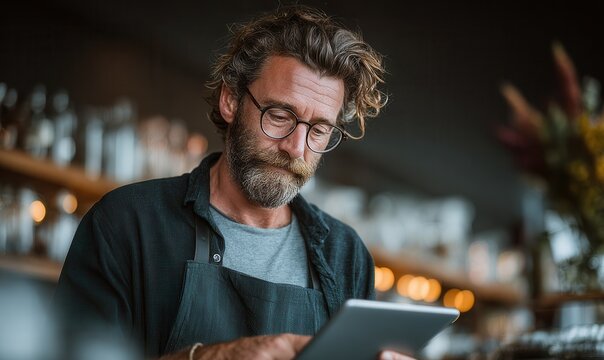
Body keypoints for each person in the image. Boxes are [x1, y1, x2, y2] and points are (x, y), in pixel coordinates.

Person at [54, 5, 411, 360]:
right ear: (230, 100)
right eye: (280, 115)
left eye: (318, 130)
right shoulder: (126, 224)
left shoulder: (345, 256)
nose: (296, 148)